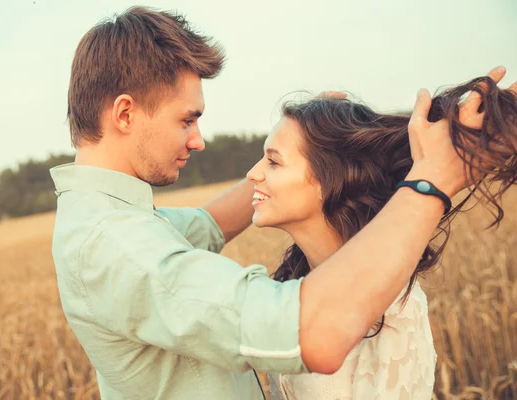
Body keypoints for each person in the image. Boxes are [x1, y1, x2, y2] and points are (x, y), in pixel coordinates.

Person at [49, 6, 516, 399]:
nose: (198, 140)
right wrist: (432, 180)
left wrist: (313, 145)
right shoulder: (113, 244)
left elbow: (208, 224)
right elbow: (312, 331)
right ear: (125, 113)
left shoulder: (117, 218)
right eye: (186, 120)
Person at [245, 80, 517, 399]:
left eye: (273, 161)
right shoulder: (295, 286)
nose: (252, 173)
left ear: (329, 179)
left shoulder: (394, 309)